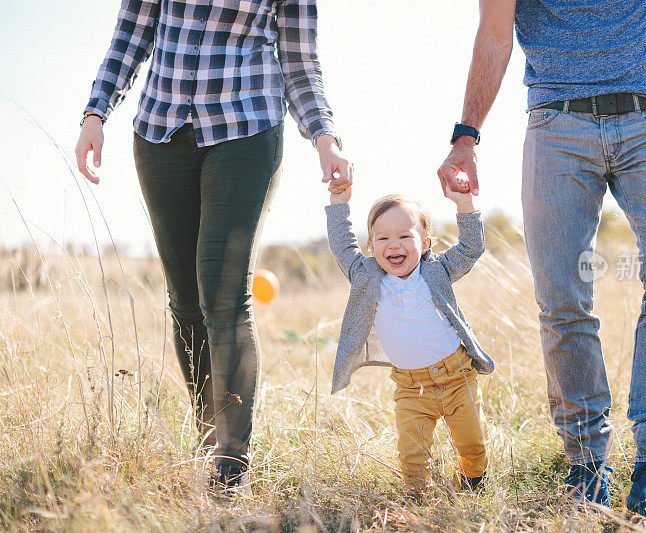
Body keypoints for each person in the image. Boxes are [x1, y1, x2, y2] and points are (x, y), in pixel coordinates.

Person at [438, 0, 646, 518]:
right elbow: (494, 34)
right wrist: (466, 135)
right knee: (561, 298)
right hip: (557, 127)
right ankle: (587, 466)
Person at [75, 0, 353, 495]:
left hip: (245, 127)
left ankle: (231, 463)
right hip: (160, 132)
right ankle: (208, 438)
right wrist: (96, 111)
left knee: (223, 294)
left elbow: (299, 60)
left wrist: (324, 137)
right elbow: (130, 36)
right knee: (184, 299)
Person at [324, 184, 494, 491]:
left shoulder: (437, 270)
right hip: (410, 387)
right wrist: (339, 203)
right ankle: (417, 499)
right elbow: (341, 244)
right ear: (371, 246)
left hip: (458, 378)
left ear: (426, 242)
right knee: (412, 453)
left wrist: (465, 203)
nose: (394, 245)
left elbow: (471, 247)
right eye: (383, 237)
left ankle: (473, 485)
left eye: (405, 236)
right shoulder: (365, 275)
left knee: (472, 444)